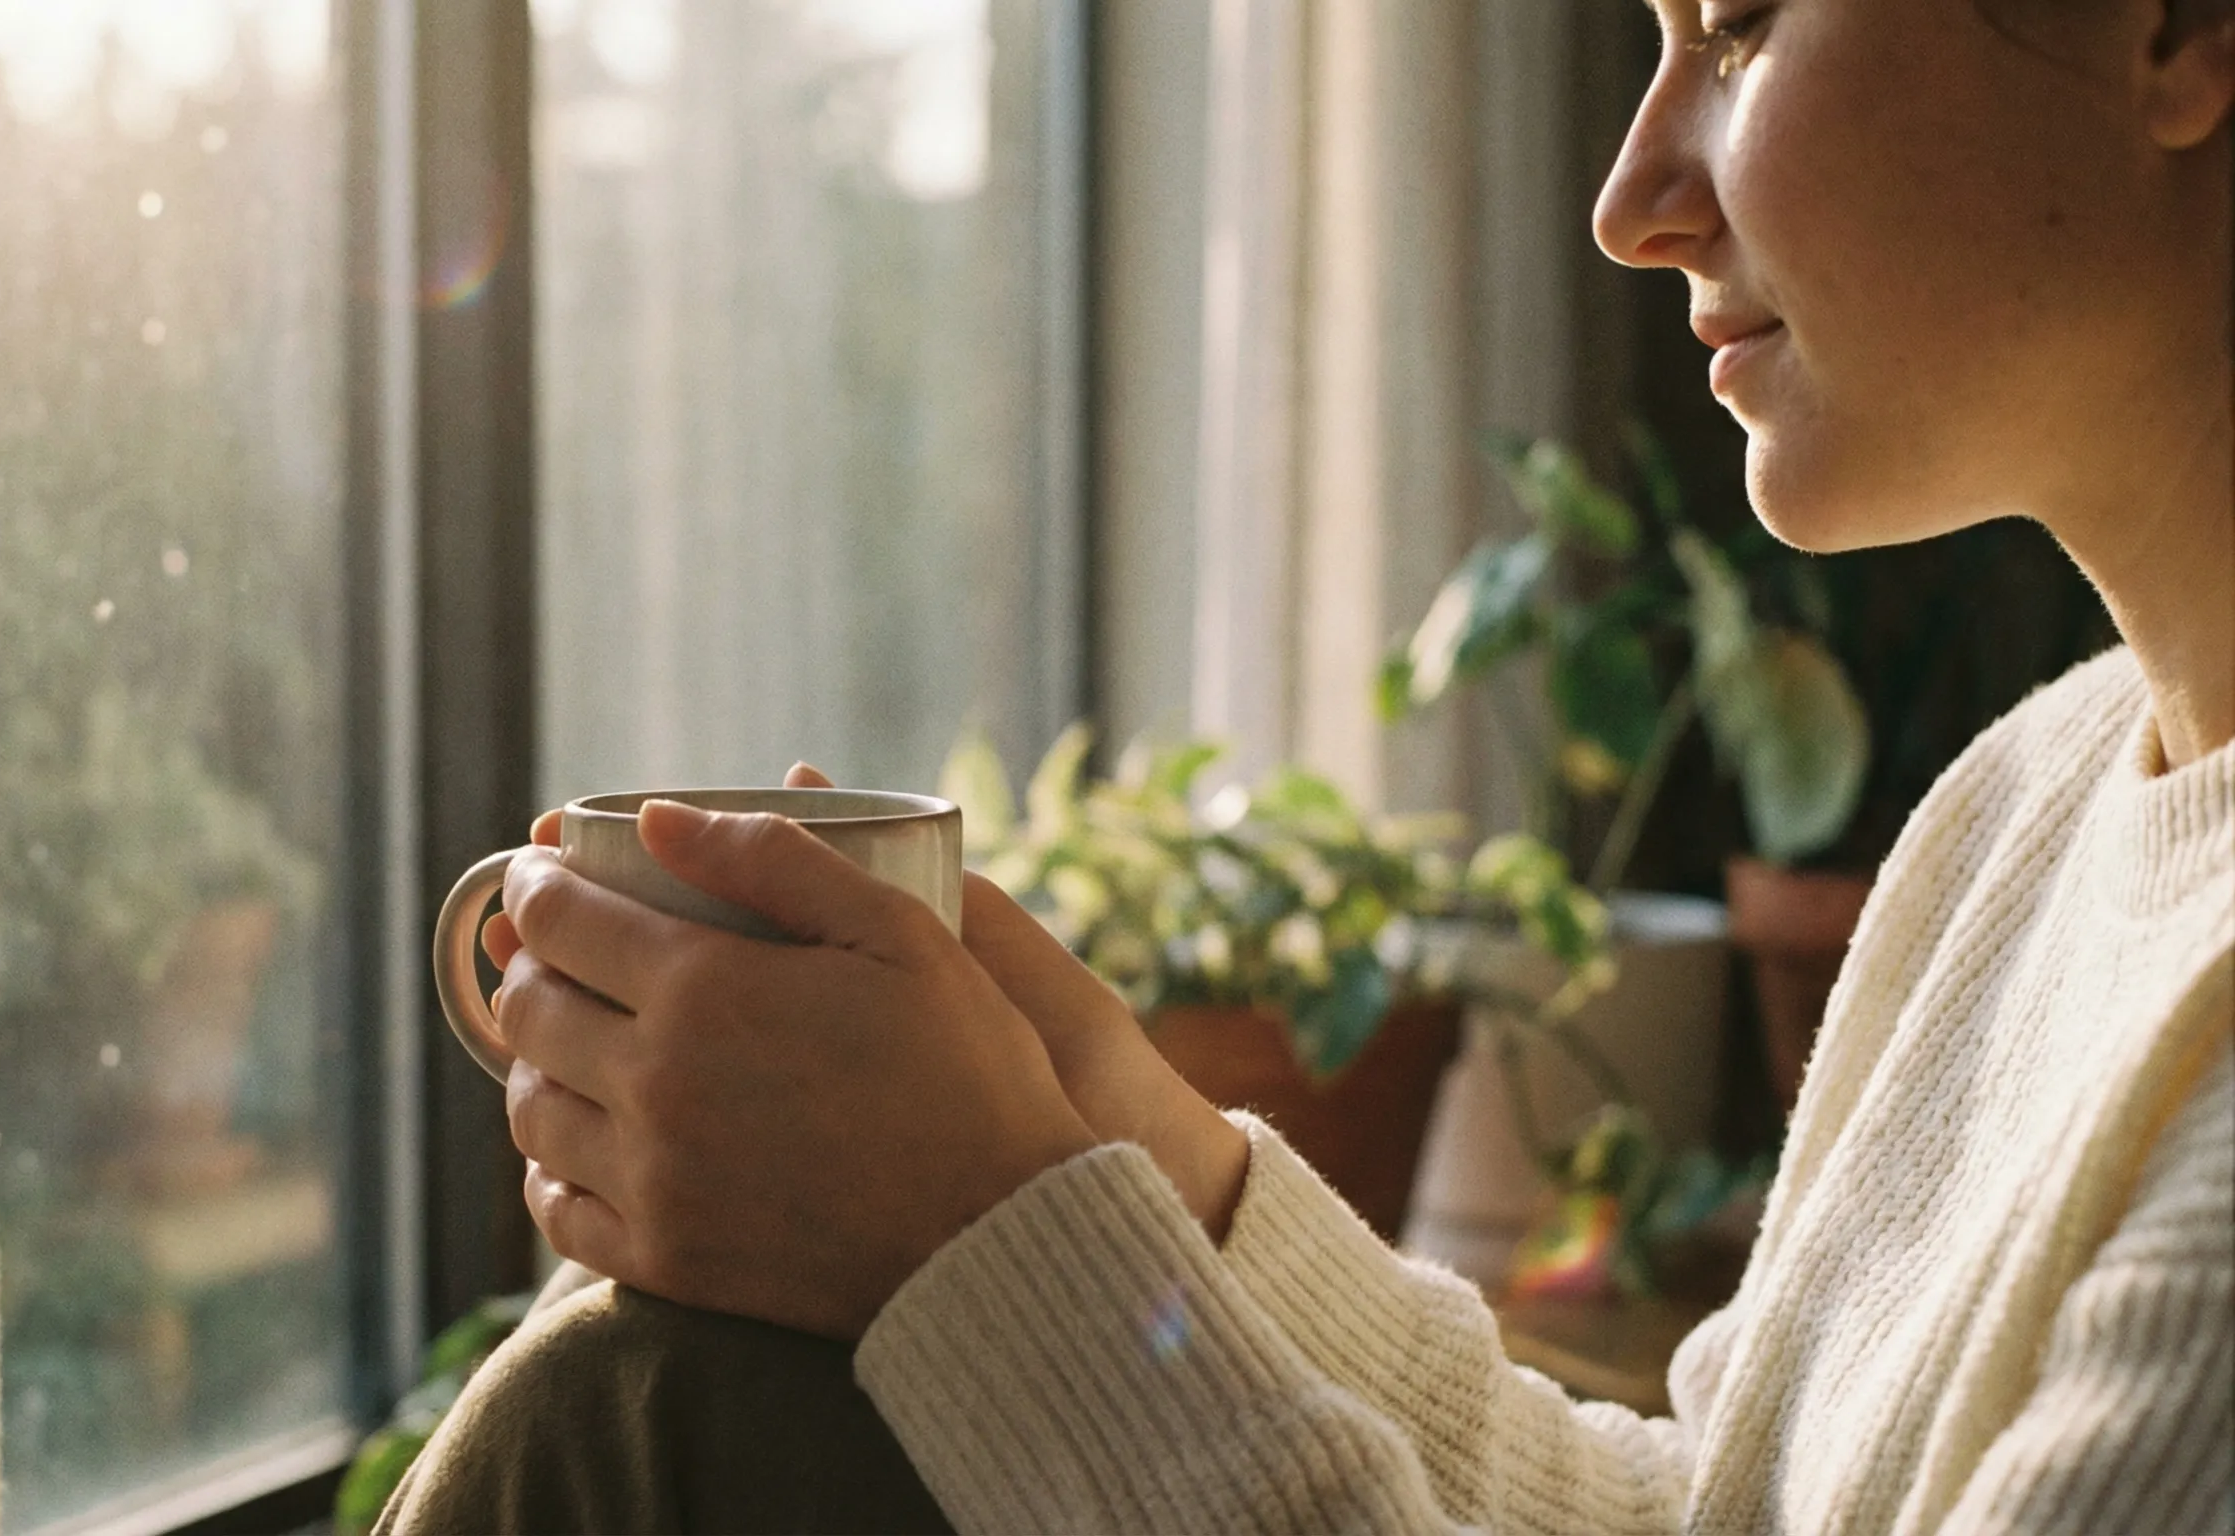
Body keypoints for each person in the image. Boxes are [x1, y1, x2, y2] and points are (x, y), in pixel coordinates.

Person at [381, 0, 2233, 1528]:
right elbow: (1721, 1517)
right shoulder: (2031, 808)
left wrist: (993, 1250)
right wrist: (1146, 1160)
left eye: (1739, 30)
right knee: (646, 1385)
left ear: (2173, 31)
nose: (1630, 199)